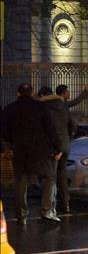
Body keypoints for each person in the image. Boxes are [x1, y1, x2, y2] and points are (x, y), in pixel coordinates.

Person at [2, 83, 64, 223]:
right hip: (41, 150)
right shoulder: (41, 107)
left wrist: (13, 141)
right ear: (32, 93)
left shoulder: (9, 109)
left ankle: (21, 214)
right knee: (48, 178)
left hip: (20, 150)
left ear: (18, 93)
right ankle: (46, 210)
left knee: (20, 181)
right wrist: (58, 148)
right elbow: (51, 129)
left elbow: (5, 131)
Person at [39, 86, 77, 214]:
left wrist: (57, 148)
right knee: (62, 174)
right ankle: (65, 204)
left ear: (42, 96)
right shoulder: (63, 106)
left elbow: (46, 129)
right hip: (65, 145)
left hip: (52, 147)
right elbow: (73, 125)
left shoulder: (43, 108)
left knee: (50, 176)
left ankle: (51, 206)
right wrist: (67, 139)